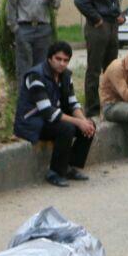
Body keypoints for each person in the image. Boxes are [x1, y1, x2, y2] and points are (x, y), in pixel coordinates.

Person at [13, 41, 95, 187]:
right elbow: (47, 111)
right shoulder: (35, 76)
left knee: (89, 125)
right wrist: (78, 122)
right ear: (50, 58)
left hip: (48, 121)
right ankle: (54, 173)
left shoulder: (65, 76)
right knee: (67, 128)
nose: (62, 64)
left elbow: (72, 103)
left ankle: (69, 167)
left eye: (66, 60)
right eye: (58, 59)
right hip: (32, 123)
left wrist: (84, 121)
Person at [75, 0, 122, 117]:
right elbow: (80, 0)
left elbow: (110, 0)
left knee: (112, 70)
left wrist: (117, 14)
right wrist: (97, 19)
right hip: (97, 26)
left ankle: (111, 107)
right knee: (94, 70)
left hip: (112, 25)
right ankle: (93, 110)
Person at [6, 0, 61, 82]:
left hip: (43, 30)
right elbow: (11, 7)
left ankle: (41, 100)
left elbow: (57, 3)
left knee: (42, 68)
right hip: (24, 29)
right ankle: (24, 101)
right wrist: (15, 29)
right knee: (24, 69)